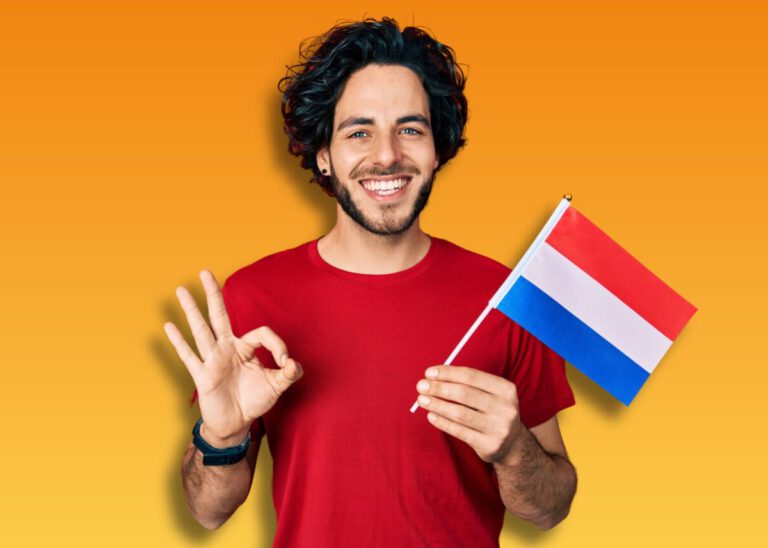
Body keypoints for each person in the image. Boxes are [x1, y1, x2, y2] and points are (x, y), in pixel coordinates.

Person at [164, 16, 577, 546]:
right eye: (359, 132)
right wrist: (220, 436)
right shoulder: (252, 297)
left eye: (410, 129)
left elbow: (550, 508)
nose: (387, 155)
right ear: (324, 156)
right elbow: (207, 512)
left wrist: (513, 449)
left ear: (436, 149)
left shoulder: (506, 298)